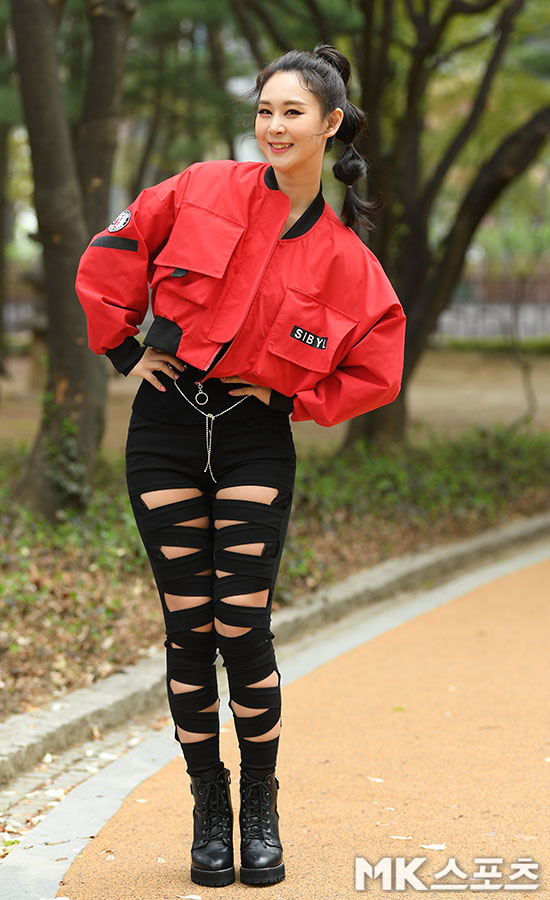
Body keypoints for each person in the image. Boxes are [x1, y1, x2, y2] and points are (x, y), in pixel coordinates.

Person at [75, 42, 406, 888]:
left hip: (255, 434)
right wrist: (123, 350)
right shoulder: (199, 188)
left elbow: (379, 365)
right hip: (166, 426)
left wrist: (298, 398)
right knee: (189, 628)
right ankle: (208, 806)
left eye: (293, 112)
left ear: (331, 125)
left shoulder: (345, 257)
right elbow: (111, 253)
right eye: (265, 110)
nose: (274, 126)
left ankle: (260, 801)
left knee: (241, 626)